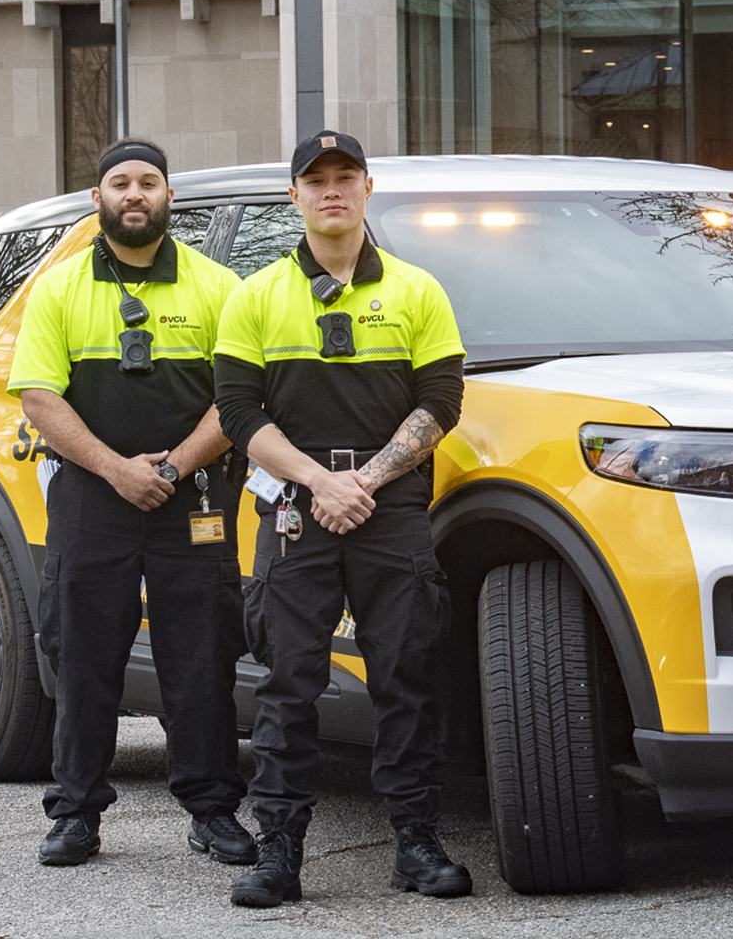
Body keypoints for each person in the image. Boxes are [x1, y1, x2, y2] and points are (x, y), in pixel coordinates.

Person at [213, 131, 470, 908]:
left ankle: (417, 844)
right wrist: (320, 481)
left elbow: (442, 402)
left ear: (366, 188)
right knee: (290, 681)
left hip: (387, 503)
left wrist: (365, 480)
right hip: (296, 501)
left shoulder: (419, 291)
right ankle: (280, 853)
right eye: (315, 179)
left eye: (345, 177)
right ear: (294, 195)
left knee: (406, 675)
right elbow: (235, 409)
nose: (331, 190)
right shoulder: (255, 296)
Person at [7, 139, 253, 868]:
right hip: (92, 496)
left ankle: (213, 812)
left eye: (149, 182)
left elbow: (235, 398)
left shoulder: (218, 286)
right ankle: (75, 813)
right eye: (121, 183)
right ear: (99, 200)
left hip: (194, 497)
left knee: (201, 655)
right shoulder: (58, 289)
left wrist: (173, 468)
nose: (135, 193)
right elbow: (39, 397)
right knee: (83, 653)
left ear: (170, 197)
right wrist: (117, 470)